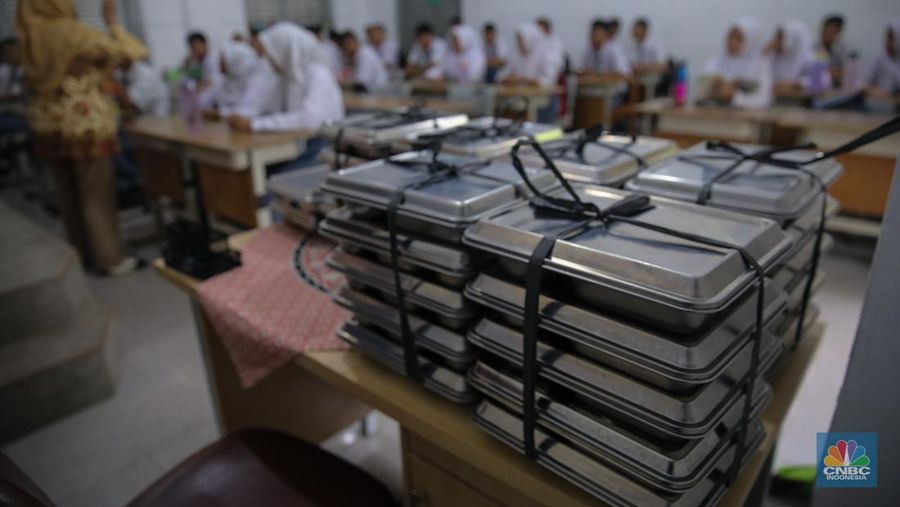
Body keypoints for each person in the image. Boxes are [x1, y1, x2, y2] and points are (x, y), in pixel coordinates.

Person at [17, 0, 148, 275]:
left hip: (48, 126)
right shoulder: (73, 33)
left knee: (68, 196)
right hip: (83, 123)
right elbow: (131, 53)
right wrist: (111, 20)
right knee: (96, 195)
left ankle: (82, 254)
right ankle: (109, 258)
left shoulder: (29, 39)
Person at [234, 23, 344, 173]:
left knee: (270, 178)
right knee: (257, 171)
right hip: (296, 145)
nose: (268, 61)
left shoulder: (318, 74)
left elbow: (308, 120)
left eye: (270, 54)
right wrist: (244, 116)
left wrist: (254, 124)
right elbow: (264, 106)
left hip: (322, 149)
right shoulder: (287, 77)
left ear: (284, 51)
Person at [699, 16, 773, 109]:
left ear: (751, 41)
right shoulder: (716, 60)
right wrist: (714, 86)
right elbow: (699, 88)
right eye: (730, 36)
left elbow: (763, 98)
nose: (732, 42)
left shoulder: (761, 64)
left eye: (739, 38)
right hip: (713, 116)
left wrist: (734, 96)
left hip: (745, 118)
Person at [214, 41, 280, 118]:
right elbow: (214, 97)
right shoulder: (230, 79)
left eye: (222, 61)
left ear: (235, 60)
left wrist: (219, 113)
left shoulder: (257, 81)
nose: (219, 64)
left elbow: (249, 110)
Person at [500, 22, 561, 87]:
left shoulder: (547, 55)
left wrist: (523, 80)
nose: (519, 44)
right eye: (518, 41)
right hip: (517, 93)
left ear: (530, 39)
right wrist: (507, 78)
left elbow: (548, 81)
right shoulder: (516, 55)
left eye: (521, 41)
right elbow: (501, 75)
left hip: (539, 95)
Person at [766, 21, 817, 98]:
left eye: (780, 37)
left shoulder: (813, 56)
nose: (776, 40)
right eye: (776, 36)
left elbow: (822, 81)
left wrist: (797, 84)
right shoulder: (773, 55)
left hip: (800, 101)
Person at [864, 20, 900, 103]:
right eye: (887, 37)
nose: (888, 42)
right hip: (879, 104)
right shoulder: (879, 59)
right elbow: (864, 86)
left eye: (892, 38)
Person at [182, 31, 222, 103]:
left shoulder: (213, 59)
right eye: (192, 48)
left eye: (196, 47)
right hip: (208, 91)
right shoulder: (197, 62)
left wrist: (198, 85)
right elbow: (185, 77)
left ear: (204, 44)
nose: (194, 50)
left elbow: (216, 81)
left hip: (218, 92)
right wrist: (186, 66)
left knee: (201, 98)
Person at [815, 14, 851, 88]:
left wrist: (829, 72)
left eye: (832, 31)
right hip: (818, 86)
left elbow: (847, 72)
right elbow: (816, 72)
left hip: (838, 87)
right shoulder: (814, 47)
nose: (827, 34)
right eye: (825, 30)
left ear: (838, 33)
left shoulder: (843, 48)